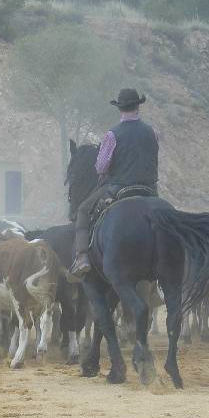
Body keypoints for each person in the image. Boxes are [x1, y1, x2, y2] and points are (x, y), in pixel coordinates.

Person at [70, 89, 159, 277]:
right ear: (137, 107)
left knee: (83, 211)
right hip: (150, 189)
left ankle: (82, 258)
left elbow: (101, 167)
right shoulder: (152, 132)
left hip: (119, 187)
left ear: (120, 108)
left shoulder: (113, 134)